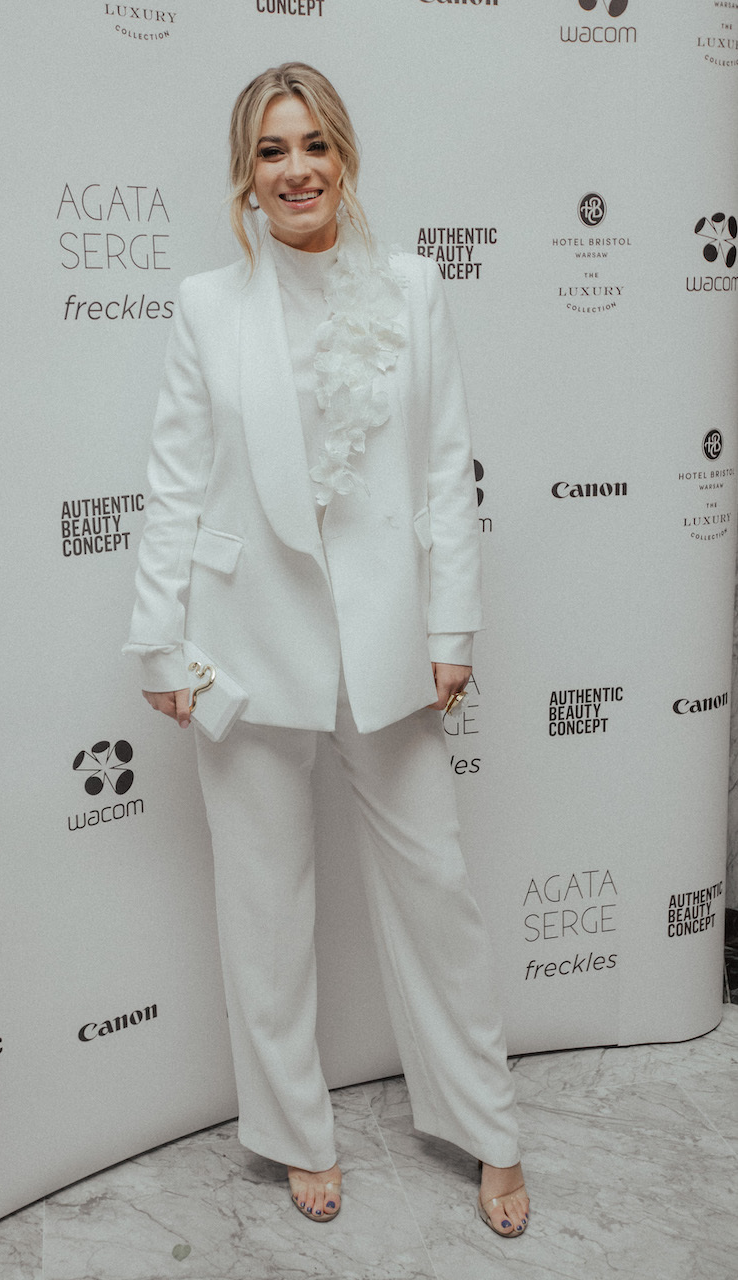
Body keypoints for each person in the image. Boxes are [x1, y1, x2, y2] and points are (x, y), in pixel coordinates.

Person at [126, 62, 530, 1237]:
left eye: (314, 145)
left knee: (435, 884)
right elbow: (173, 483)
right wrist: (160, 642)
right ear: (244, 176)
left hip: (388, 638)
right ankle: (296, 1130)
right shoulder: (209, 305)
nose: (295, 169)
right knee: (262, 901)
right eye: (271, 150)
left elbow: (444, 465)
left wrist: (450, 623)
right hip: (245, 638)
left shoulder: (412, 287)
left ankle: (488, 1126)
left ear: (344, 155)